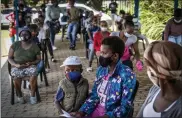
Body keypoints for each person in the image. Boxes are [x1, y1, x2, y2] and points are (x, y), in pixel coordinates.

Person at [72, 36, 137, 118]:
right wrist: (82, 112)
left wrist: (106, 116)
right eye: (101, 52)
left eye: (104, 53)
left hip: (111, 115)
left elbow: (125, 106)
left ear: (115, 56)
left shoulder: (127, 75)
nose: (100, 56)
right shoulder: (101, 70)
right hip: (95, 111)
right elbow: (95, 95)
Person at [137, 41, 182, 117]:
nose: (148, 70)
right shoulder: (155, 89)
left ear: (161, 75)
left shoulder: (179, 109)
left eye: (149, 68)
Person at [8, 27, 41, 104]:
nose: (24, 35)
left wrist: (32, 63)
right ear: (19, 35)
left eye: (26, 33)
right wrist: (15, 64)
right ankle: (20, 95)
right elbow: (9, 58)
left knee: (33, 73)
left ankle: (32, 95)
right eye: (22, 33)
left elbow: (39, 59)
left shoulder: (34, 46)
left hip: (29, 66)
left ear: (30, 35)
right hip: (17, 66)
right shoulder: (15, 45)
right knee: (16, 76)